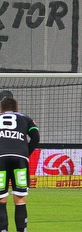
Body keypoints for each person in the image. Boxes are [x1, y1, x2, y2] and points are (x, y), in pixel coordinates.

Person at [0, 97, 38, 232]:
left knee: (1, 199)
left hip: (0, 158)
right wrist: (25, 153)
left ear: (1, 109)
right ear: (17, 109)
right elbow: (35, 136)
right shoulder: (25, 118)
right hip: (20, 158)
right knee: (20, 199)